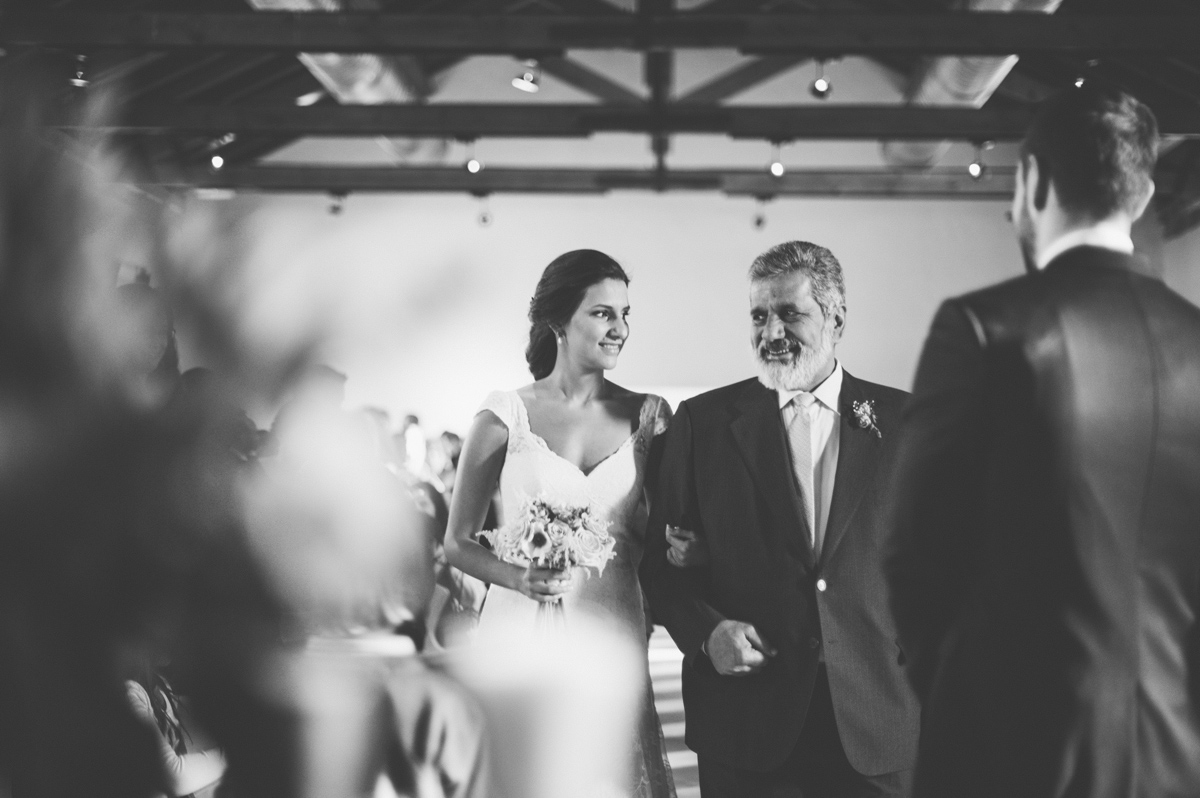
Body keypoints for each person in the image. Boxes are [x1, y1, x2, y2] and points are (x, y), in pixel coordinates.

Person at [886, 85, 1200, 798]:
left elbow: (915, 548)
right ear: (1144, 195)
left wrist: (956, 692)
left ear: (1032, 181)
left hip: (1010, 745)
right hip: (1177, 753)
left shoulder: (983, 328)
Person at [641, 241, 920, 797]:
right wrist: (705, 634)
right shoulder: (705, 423)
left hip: (879, 717)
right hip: (747, 722)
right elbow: (659, 565)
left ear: (836, 318)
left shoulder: (909, 423)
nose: (771, 332)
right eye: (759, 315)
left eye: (790, 313)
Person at [444, 249, 676, 798]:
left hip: (612, 625)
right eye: (602, 313)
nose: (619, 329)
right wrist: (519, 577)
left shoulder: (650, 416)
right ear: (557, 322)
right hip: (519, 629)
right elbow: (456, 543)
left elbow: (671, 531)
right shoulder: (505, 414)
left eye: (624, 314)